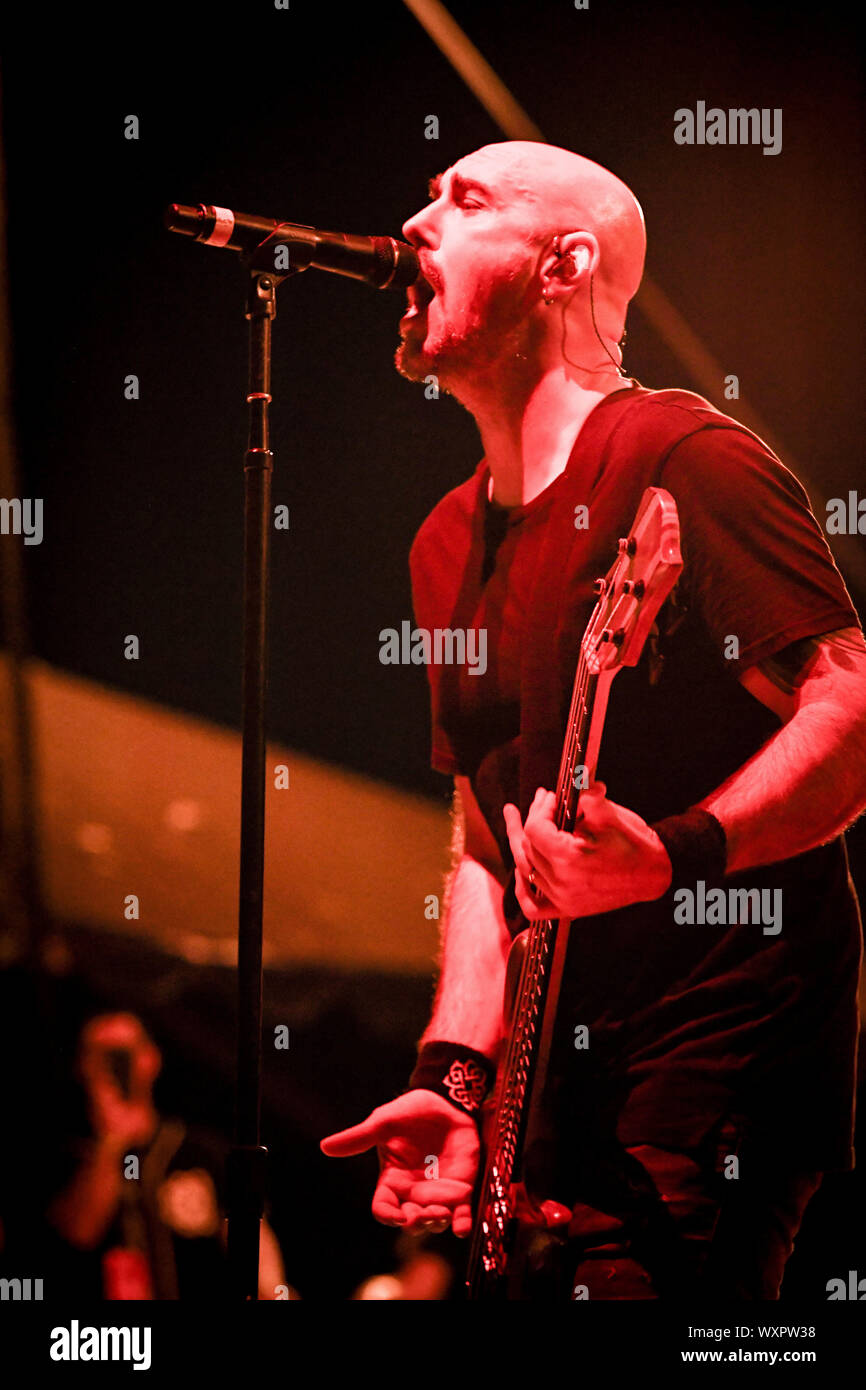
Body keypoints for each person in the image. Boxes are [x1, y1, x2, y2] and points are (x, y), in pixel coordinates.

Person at [321, 142, 866, 1299]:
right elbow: (482, 839)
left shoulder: (684, 459)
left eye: (463, 201)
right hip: (552, 1092)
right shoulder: (440, 544)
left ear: (565, 262)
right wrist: (453, 1075)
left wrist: (676, 852)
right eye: (424, 196)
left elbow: (851, 709)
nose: (416, 225)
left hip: (709, 1067)